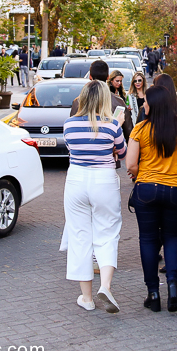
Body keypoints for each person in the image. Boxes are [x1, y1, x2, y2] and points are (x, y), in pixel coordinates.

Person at [126, 85, 177, 313]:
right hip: (176, 189)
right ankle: (173, 286)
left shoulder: (141, 129)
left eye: (145, 101)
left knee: (148, 240)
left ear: (153, 104)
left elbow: (131, 165)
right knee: (172, 236)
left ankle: (153, 293)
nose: (143, 104)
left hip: (147, 189)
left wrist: (141, 173)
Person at [63, 80, 127, 313]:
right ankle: (106, 286)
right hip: (104, 179)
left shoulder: (69, 124)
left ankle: (87, 297)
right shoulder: (111, 126)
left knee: (79, 235)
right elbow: (122, 152)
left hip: (77, 179)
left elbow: (72, 149)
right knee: (108, 231)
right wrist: (117, 125)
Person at [71, 61, 134, 141]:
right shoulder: (119, 102)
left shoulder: (78, 102)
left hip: (83, 150)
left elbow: (73, 130)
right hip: (110, 149)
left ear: (90, 76)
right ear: (108, 77)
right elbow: (129, 133)